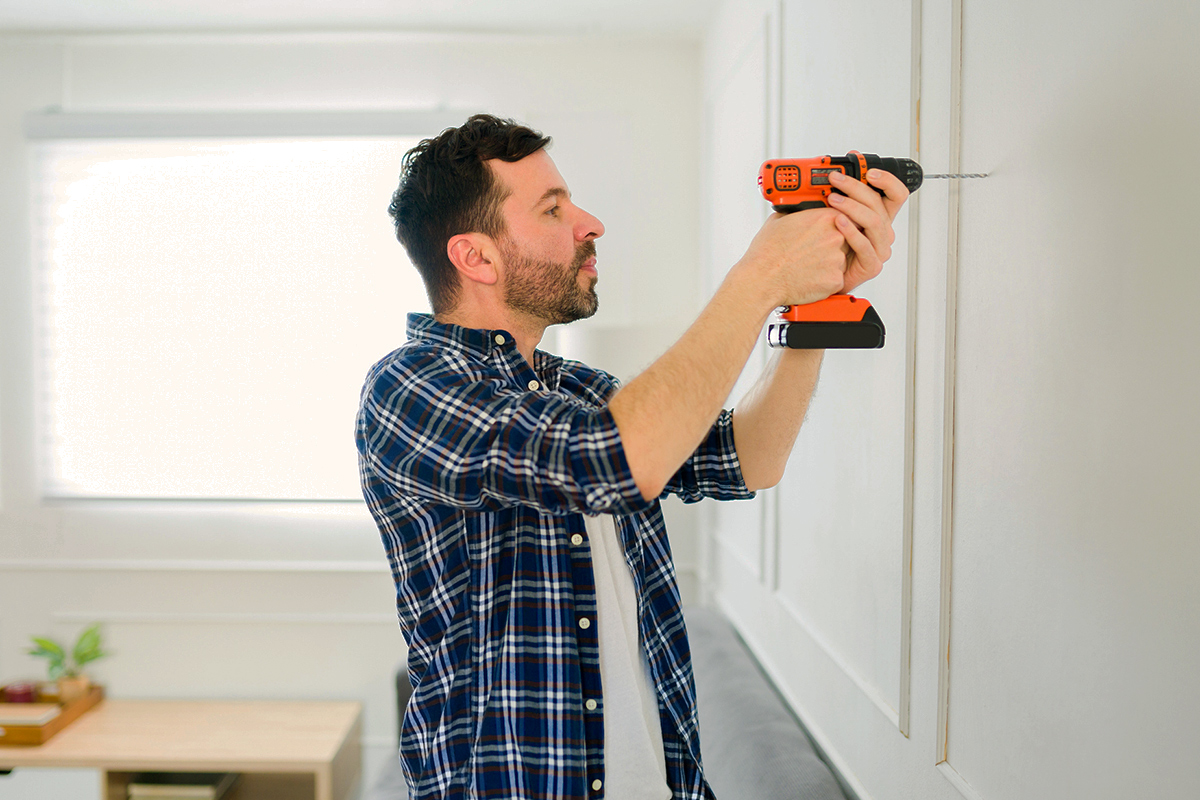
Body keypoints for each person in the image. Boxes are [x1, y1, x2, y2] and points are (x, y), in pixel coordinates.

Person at [356, 114, 908, 800]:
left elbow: (747, 458)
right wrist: (760, 275)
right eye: (553, 208)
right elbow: (612, 461)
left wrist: (813, 307)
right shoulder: (408, 388)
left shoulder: (579, 391)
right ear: (477, 258)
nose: (590, 223)